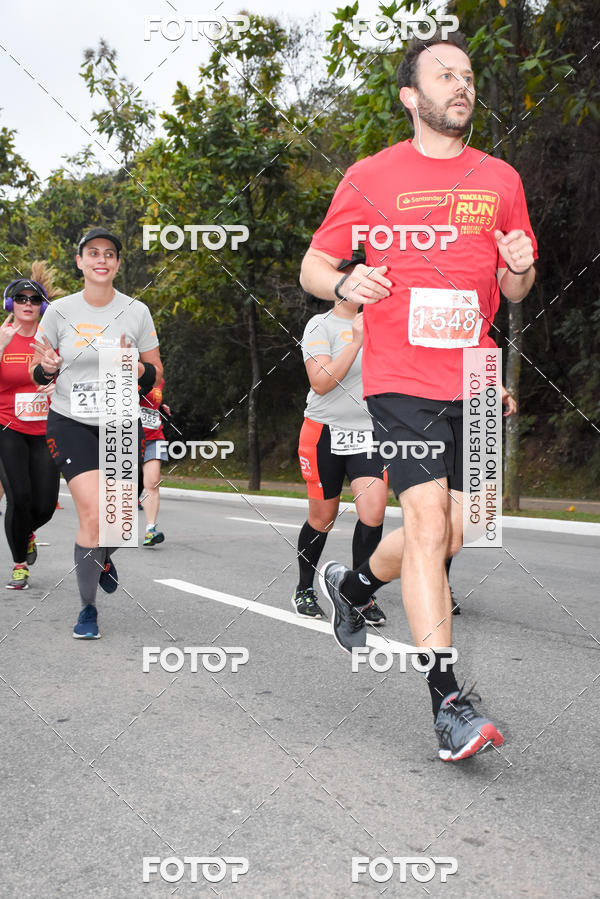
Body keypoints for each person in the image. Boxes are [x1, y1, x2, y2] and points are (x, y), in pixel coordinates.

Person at [300, 29, 537, 761]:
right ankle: (448, 701)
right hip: (400, 377)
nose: (461, 85)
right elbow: (314, 263)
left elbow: (514, 287)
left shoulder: (501, 178)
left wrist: (520, 267)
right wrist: (345, 283)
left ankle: (354, 578)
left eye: (467, 75)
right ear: (411, 95)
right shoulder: (371, 175)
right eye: (444, 75)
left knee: (459, 533)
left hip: (473, 373)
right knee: (429, 525)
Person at [31, 227, 163, 638]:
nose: (101, 259)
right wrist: (48, 368)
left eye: (109, 253)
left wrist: (137, 367)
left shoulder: (137, 311)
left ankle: (103, 556)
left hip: (121, 421)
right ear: (80, 262)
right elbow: (36, 372)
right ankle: (87, 610)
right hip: (71, 420)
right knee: (91, 513)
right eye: (92, 253)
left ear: (118, 263)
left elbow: (158, 380)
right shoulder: (59, 312)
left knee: (118, 523)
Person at [294, 262, 388, 624]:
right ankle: (304, 588)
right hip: (324, 432)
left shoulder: (383, 323)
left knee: (374, 510)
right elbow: (320, 382)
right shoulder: (320, 325)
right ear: (340, 284)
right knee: (323, 518)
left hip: (368, 434)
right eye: (356, 278)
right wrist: (357, 340)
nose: (364, 285)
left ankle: (357, 594)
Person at [0, 263, 61, 589]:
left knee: (45, 505)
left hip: (45, 431)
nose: (27, 303)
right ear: (11, 304)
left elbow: (72, 381)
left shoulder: (52, 341)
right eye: (20, 298)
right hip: (7, 427)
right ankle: (19, 563)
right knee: (19, 497)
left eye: (34, 299)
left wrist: (57, 384)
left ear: (42, 306)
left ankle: (27, 531)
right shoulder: (1, 337)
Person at [447, 384, 517, 615]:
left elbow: (481, 355)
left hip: (471, 419)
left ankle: (428, 569)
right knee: (445, 515)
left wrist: (501, 392)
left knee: (473, 522)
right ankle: (438, 585)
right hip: (432, 415)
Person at [140, 377, 169, 546]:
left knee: (152, 482)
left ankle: (150, 530)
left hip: (153, 437)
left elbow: (153, 401)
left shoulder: (160, 380)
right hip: (128, 437)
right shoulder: (124, 373)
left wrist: (162, 407)